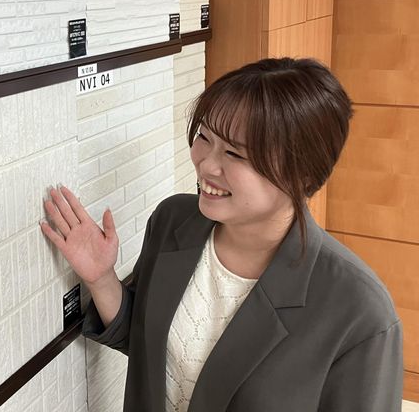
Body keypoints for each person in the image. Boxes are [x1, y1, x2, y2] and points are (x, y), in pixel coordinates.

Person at [40, 57, 403, 411]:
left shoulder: (359, 311)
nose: (207, 164)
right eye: (204, 136)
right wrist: (101, 278)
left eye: (235, 153)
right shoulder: (173, 221)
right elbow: (151, 349)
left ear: (301, 174)